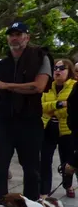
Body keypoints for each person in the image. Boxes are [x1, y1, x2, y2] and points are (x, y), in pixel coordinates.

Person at [0, 22, 51, 207]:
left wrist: (6, 86)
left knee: (31, 170)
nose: (14, 38)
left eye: (18, 34)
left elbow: (38, 87)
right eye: (11, 35)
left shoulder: (41, 58)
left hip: (29, 123)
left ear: (27, 37)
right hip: (4, 123)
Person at [40, 59, 76, 198]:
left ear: (69, 71)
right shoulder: (47, 86)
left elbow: (72, 108)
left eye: (62, 68)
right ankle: (44, 191)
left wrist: (51, 107)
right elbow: (41, 106)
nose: (57, 71)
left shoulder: (74, 86)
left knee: (67, 161)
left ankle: (67, 185)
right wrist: (59, 104)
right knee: (45, 160)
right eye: (55, 68)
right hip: (48, 127)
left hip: (67, 129)